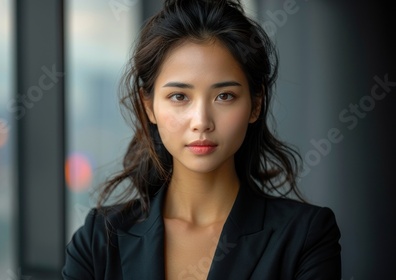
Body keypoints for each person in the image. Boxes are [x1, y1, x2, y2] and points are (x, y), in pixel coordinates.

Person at [63, 0, 341, 279]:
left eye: (224, 96)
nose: (202, 122)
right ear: (148, 106)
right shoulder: (98, 239)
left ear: (256, 105)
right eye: (179, 97)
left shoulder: (305, 236)